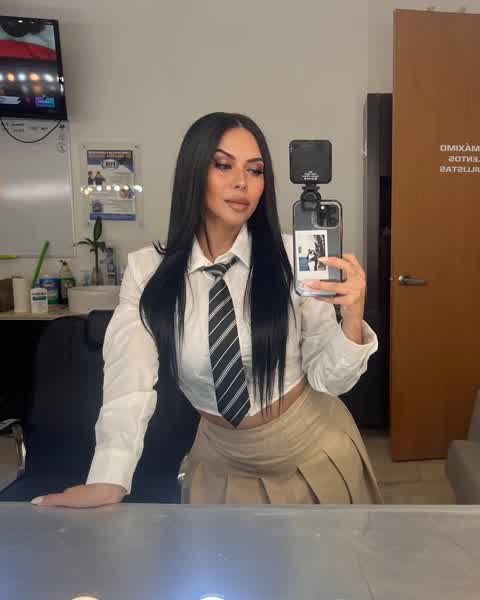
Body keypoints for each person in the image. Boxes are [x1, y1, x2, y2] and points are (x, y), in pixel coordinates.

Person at [31, 112, 383, 508]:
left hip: (311, 451)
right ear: (194, 172)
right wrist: (109, 478)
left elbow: (329, 379)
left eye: (255, 170)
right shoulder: (148, 272)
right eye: (223, 165)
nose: (242, 182)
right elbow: (128, 384)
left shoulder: (293, 258)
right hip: (221, 462)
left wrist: (352, 320)